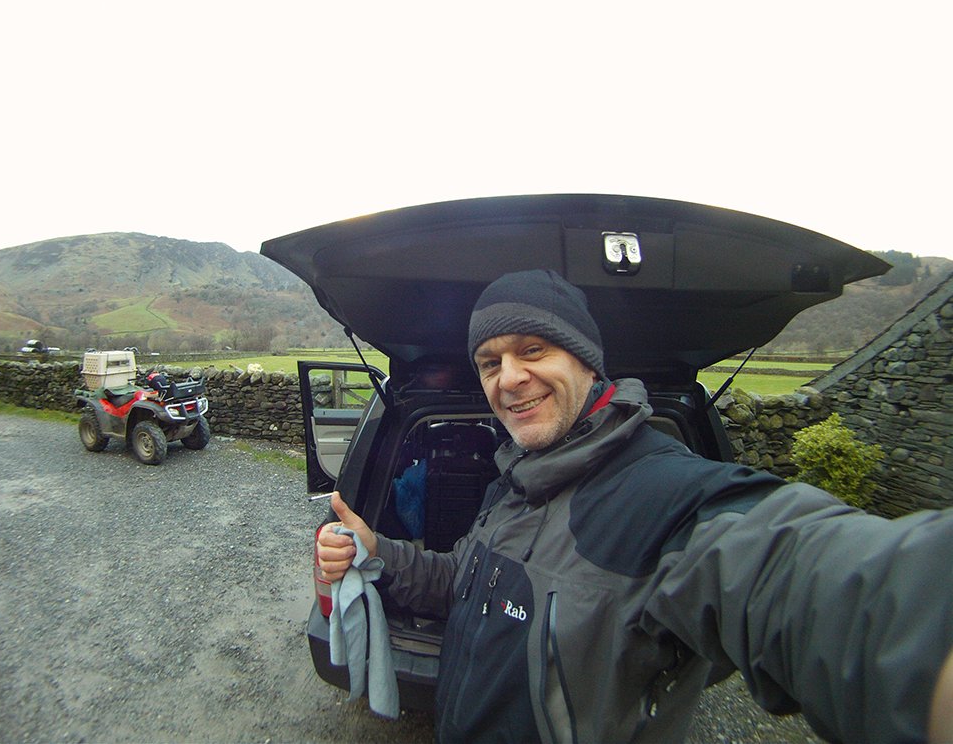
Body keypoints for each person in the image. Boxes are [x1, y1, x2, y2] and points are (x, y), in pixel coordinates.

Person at [317, 269, 953, 743]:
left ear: (588, 364)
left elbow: (819, 585)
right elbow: (462, 579)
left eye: (533, 350)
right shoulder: (512, 481)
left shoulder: (661, 495)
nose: (507, 377)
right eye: (490, 361)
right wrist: (380, 553)